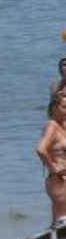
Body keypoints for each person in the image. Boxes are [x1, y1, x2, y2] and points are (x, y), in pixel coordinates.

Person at [37, 92, 66, 223]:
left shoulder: (62, 126)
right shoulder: (51, 126)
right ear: (54, 107)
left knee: (59, 225)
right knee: (61, 224)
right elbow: (40, 149)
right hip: (58, 181)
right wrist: (54, 169)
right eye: (64, 107)